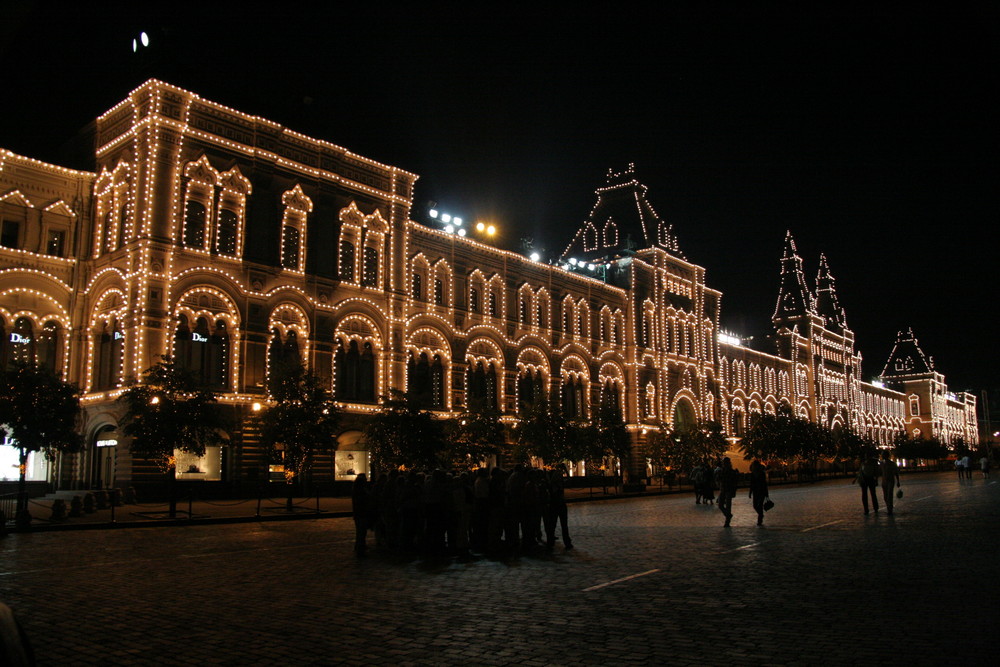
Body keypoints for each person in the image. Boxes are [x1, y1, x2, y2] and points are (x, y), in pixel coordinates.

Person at [351, 473, 370, 555]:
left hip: (358, 513)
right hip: (361, 513)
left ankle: (359, 546)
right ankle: (360, 547)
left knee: (360, 531)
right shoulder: (361, 492)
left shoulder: (356, 491)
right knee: (361, 531)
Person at [717, 457, 738, 526]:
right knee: (721, 505)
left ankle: (727, 520)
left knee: (727, 505)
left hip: (728, 489)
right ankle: (728, 515)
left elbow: (734, 482)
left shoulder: (731, 471)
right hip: (723, 489)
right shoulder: (722, 471)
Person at [748, 460, 769, 526]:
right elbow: (751, 484)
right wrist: (750, 492)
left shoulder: (761, 474)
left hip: (761, 491)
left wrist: (766, 493)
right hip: (756, 491)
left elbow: (764, 483)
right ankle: (761, 515)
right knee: (755, 505)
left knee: (759, 505)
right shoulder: (753, 474)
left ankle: (760, 519)